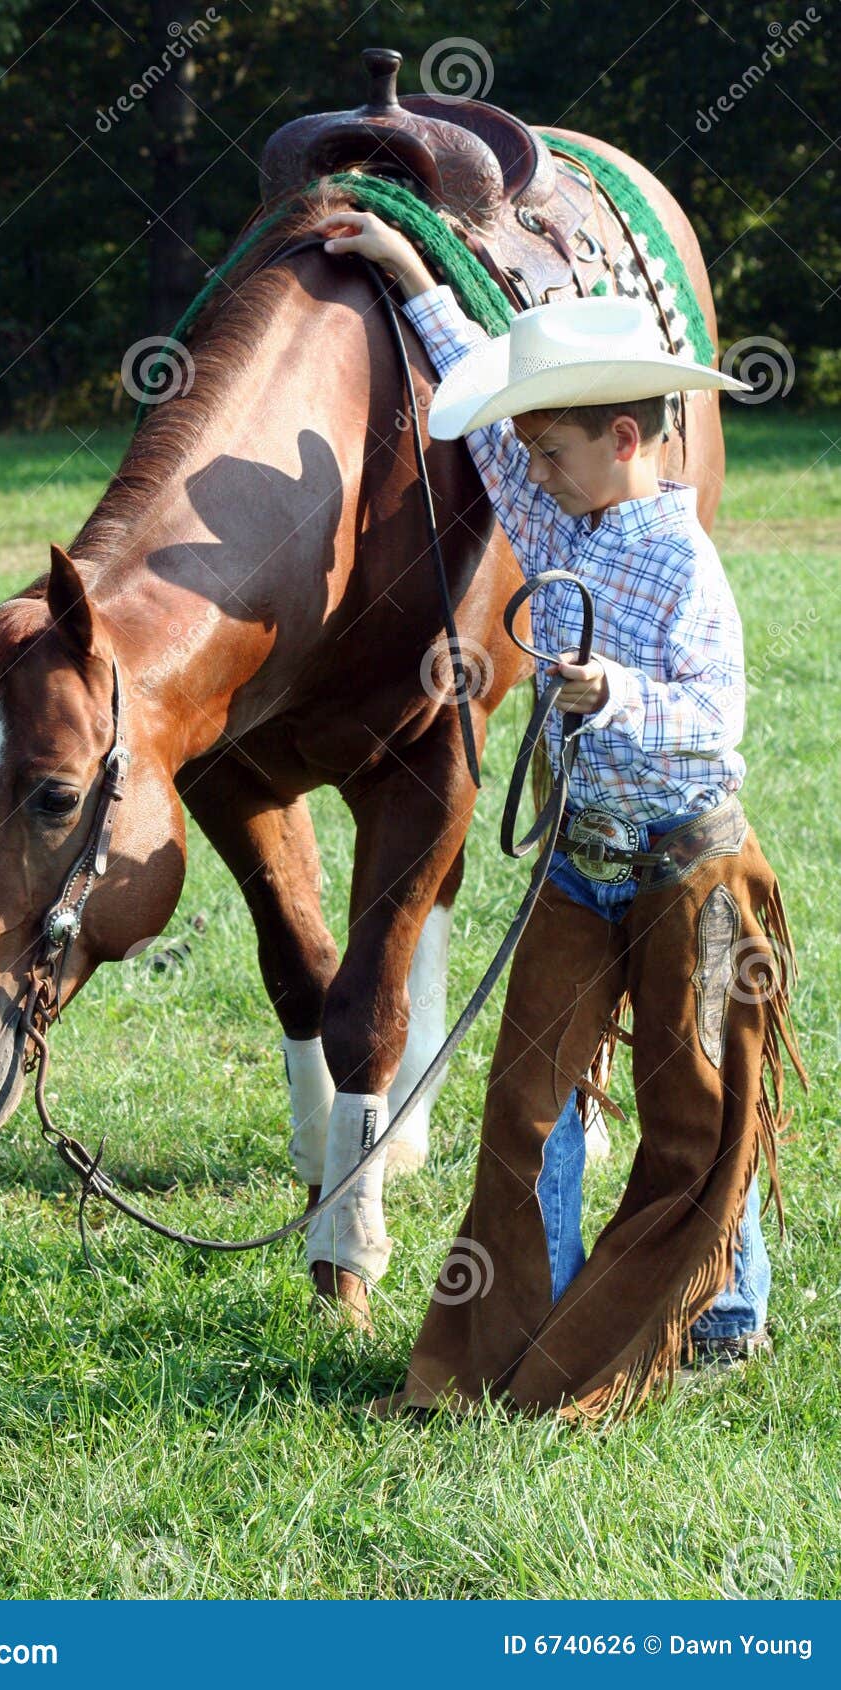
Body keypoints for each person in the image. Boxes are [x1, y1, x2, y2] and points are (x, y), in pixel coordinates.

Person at [309, 209, 807, 1419]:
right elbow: (486, 436)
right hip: (580, 869)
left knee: (692, 1106)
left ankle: (716, 1308)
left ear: (623, 437)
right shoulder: (556, 511)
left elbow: (716, 718)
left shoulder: (684, 564)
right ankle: (526, 1330)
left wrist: (613, 693)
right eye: (532, 456)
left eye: (552, 453)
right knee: (525, 1102)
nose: (527, 473)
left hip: (688, 868)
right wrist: (407, 273)